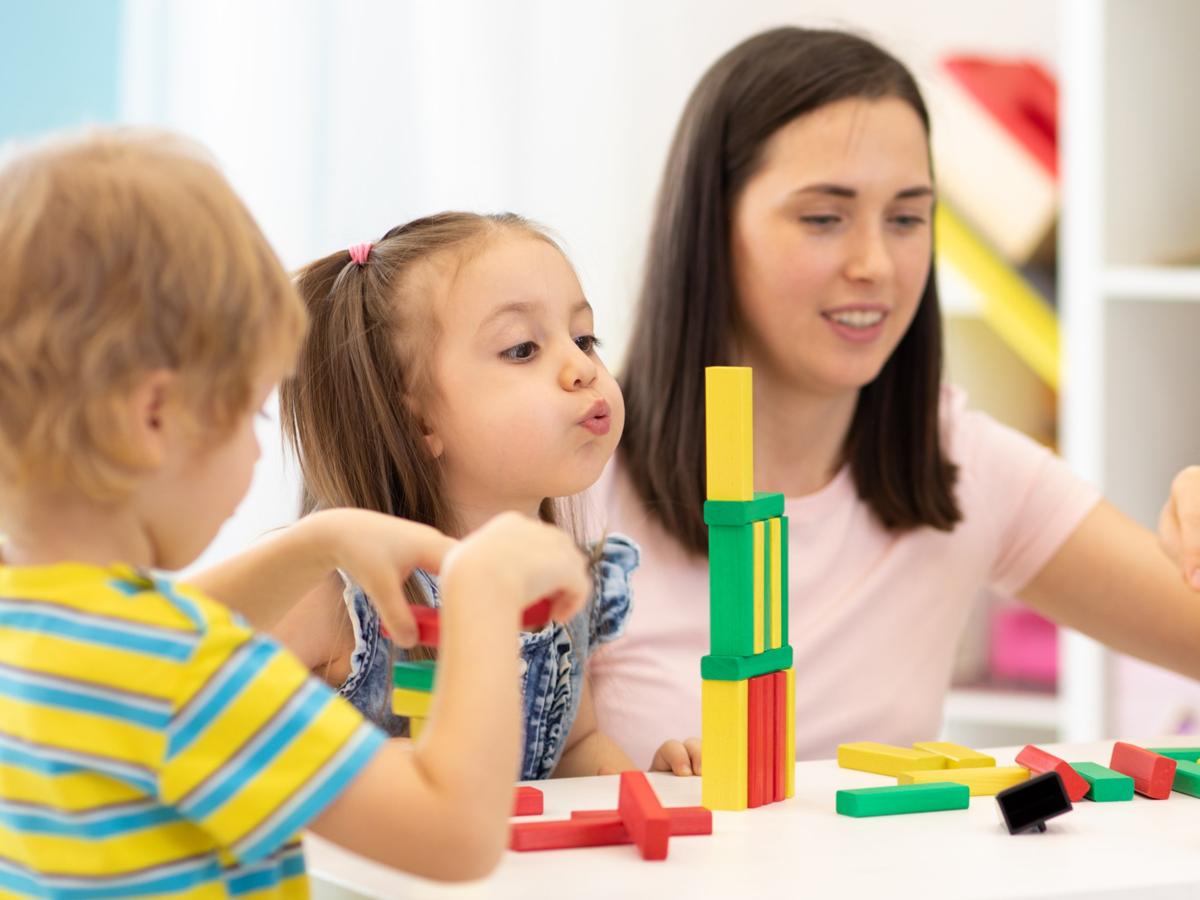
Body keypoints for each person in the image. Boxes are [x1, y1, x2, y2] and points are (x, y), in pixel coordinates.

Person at [588, 26, 1200, 767]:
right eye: (823, 217)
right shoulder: (574, 481)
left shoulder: (959, 464)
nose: (876, 264)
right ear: (711, 227)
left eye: (907, 218)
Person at [0, 128, 592, 893]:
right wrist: (481, 598)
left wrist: (319, 541)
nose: (257, 456)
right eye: (248, 415)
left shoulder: (41, 622)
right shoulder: (195, 676)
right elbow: (454, 840)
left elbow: (165, 621)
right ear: (155, 418)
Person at [275, 212, 689, 777]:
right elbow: (194, 721)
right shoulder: (334, 590)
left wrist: (656, 794)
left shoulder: (557, 578)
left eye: (584, 338)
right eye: (522, 349)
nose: (581, 369)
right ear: (416, 420)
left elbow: (575, 750)